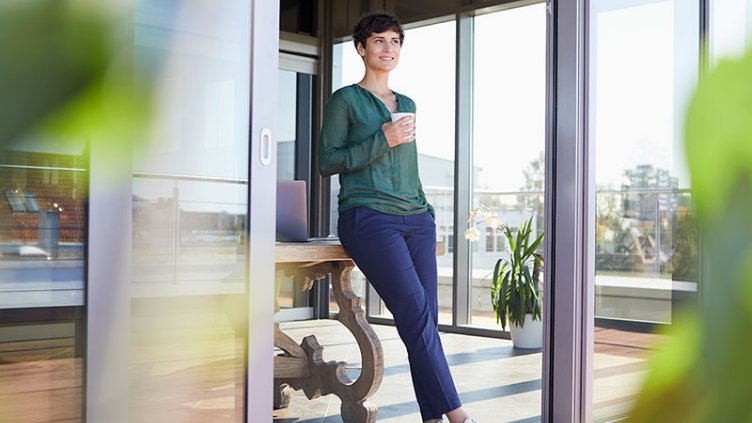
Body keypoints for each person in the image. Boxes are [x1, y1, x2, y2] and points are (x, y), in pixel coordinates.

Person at [318, 11, 478, 423]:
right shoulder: (346, 100)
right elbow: (326, 161)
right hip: (368, 216)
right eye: (379, 41)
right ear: (361, 48)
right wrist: (381, 140)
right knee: (415, 312)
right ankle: (458, 415)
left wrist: (427, 212)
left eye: (394, 42)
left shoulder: (406, 104)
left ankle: (432, 416)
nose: (388, 49)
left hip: (416, 219)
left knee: (425, 319)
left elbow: (409, 168)